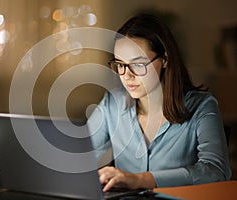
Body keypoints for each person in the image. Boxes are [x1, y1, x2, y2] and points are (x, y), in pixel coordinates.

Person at [87, 13, 232, 192]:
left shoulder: (202, 106)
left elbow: (216, 170)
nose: (127, 76)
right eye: (120, 64)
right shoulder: (112, 103)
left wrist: (141, 180)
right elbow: (83, 157)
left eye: (138, 64)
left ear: (164, 60)